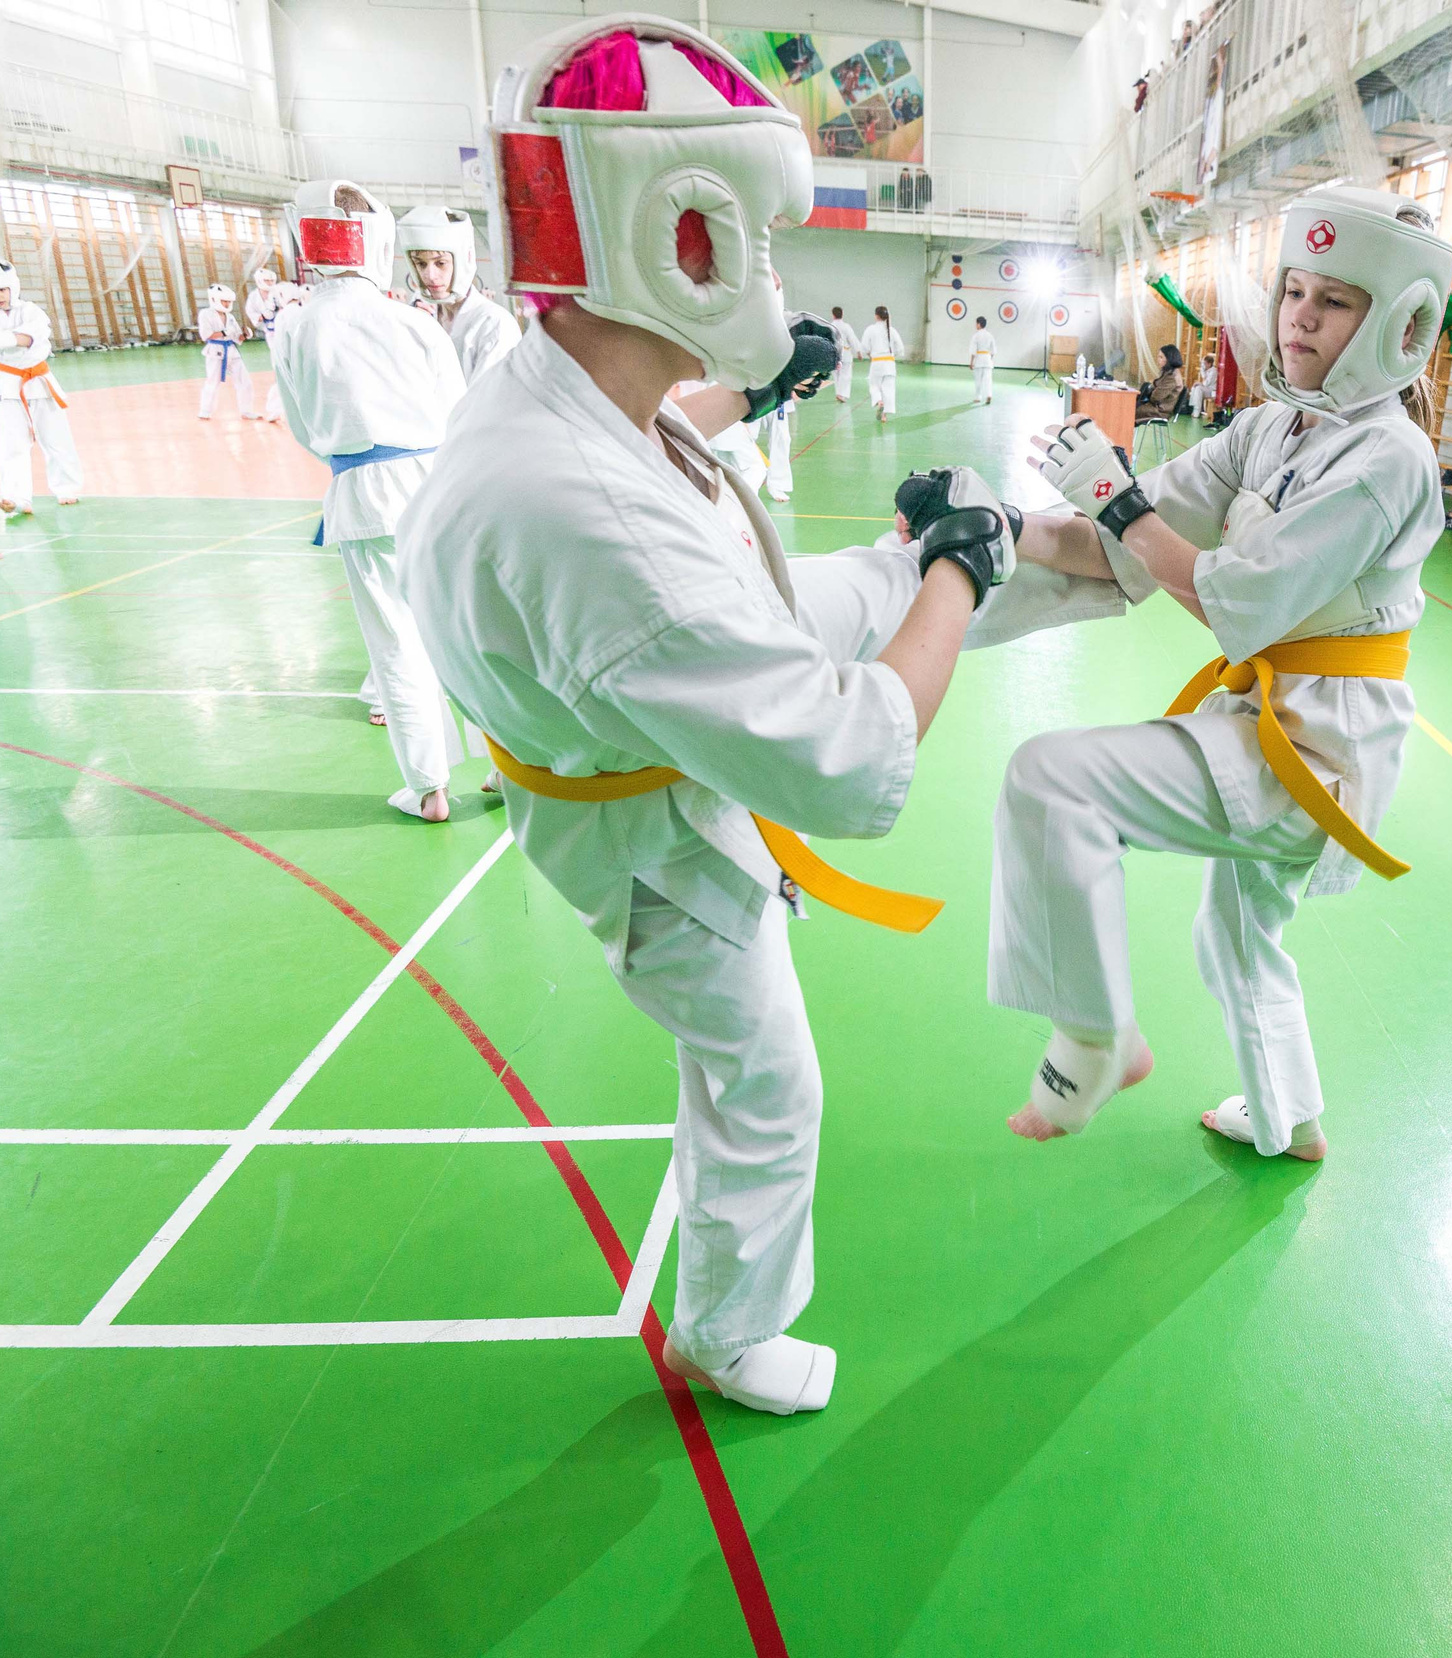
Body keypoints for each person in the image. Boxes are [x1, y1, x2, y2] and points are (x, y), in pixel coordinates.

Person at [398, 19, 1014, 1417]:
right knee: (763, 1076)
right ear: (675, 228)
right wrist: (962, 570)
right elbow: (856, 761)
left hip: (616, 745)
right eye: (759, 241)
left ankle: (728, 1316)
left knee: (740, 1061)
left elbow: (657, 454)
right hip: (649, 838)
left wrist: (752, 386)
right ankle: (729, 1335)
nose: (778, 273)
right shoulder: (585, 516)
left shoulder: (555, 383)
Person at [989, 186, 1452, 1161]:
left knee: (1051, 776)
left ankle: (1094, 1033)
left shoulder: (1389, 460)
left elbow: (1231, 597)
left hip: (1317, 751)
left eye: (1334, 301)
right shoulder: (1272, 430)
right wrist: (992, 526)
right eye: (1295, 290)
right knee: (1235, 937)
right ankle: (1290, 1122)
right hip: (1270, 714)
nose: (1300, 316)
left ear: (1396, 324)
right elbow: (1119, 535)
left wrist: (1118, 505)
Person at [272, 178, 468, 823]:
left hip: (361, 490)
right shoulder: (411, 320)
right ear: (377, 241)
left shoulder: (295, 324)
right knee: (464, 631)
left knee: (395, 645)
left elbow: (303, 427)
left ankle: (429, 788)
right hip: (438, 485)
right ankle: (508, 763)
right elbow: (458, 411)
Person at [0, 259, 82, 516]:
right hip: (6, 382)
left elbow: (28, 338)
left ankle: (67, 487)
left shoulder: (31, 311)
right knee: (12, 442)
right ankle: (17, 498)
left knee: (56, 437)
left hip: (39, 379)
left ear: (12, 287)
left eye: (2, 290)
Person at [398, 205, 523, 380]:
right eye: (421, 264)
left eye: (440, 263)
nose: (430, 276)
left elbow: (485, 401)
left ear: (464, 259)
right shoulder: (422, 318)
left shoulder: (494, 324)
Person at [196, 283, 258, 420]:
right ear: (214, 299)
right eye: (224, 301)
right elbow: (206, 335)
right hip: (215, 351)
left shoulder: (229, 317)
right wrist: (224, 332)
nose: (227, 304)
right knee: (213, 381)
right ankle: (205, 410)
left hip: (231, 350)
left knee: (244, 381)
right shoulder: (205, 314)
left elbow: (236, 337)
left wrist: (246, 334)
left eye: (229, 301)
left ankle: (246, 410)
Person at [243, 267, 296, 423]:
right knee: (281, 372)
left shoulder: (280, 291)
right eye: (266, 281)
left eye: (272, 280)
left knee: (293, 372)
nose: (270, 283)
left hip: (289, 333)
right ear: (259, 281)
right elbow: (255, 319)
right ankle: (275, 409)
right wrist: (264, 314)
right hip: (273, 335)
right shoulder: (253, 298)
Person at [860, 303, 900, 422]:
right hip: (890, 364)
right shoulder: (892, 330)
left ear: (876, 316)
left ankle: (879, 401)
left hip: (877, 363)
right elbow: (900, 348)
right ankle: (884, 415)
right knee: (889, 389)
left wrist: (870, 355)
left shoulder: (870, 329)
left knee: (874, 385)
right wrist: (891, 356)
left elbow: (865, 347)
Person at [1135, 341, 1185, 424]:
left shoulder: (1172, 377)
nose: (1158, 360)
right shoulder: (1170, 372)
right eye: (1158, 357)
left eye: (1161, 357)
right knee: (1129, 406)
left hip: (1160, 411)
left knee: (1128, 410)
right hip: (1157, 407)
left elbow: (1156, 397)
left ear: (1169, 359)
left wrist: (1152, 389)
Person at [826, 304, 858, 402]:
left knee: (836, 375)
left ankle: (838, 393)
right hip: (846, 354)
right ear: (842, 314)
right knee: (845, 375)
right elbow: (852, 340)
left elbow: (827, 340)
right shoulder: (846, 327)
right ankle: (842, 394)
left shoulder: (829, 326)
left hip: (833, 354)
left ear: (833, 315)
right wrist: (857, 351)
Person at [969, 314, 994, 406]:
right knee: (988, 380)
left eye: (976, 324)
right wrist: (989, 359)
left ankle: (978, 397)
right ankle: (989, 395)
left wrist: (971, 362)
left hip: (979, 359)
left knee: (978, 380)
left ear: (979, 324)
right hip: (987, 359)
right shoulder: (990, 335)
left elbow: (973, 350)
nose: (976, 325)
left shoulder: (976, 336)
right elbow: (993, 350)